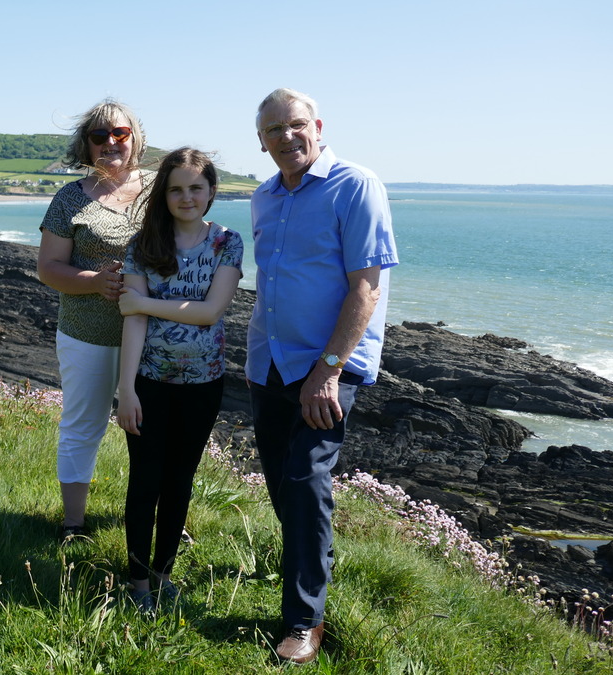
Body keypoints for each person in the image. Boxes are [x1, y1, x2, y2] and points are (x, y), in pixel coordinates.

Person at [246, 88, 398, 664]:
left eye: (296, 125)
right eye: (274, 131)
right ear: (260, 142)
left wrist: (328, 371)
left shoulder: (355, 185)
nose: (287, 137)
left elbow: (367, 286)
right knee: (286, 488)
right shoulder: (262, 197)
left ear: (317, 125)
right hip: (270, 363)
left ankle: (304, 620)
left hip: (330, 367)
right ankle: (311, 565)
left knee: (308, 481)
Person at [114, 147, 243, 612]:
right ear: (163, 195)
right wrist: (125, 389)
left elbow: (210, 312)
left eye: (195, 187)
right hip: (148, 382)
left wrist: (144, 301)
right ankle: (138, 586)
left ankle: (162, 574)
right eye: (176, 189)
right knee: (144, 483)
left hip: (204, 385)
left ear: (211, 191)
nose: (186, 197)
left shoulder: (228, 242)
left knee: (179, 482)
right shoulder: (144, 245)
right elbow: (132, 324)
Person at [37, 99, 151, 542]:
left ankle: (157, 519)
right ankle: (73, 524)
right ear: (86, 145)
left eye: (119, 134)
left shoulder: (162, 189)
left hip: (156, 334)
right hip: (88, 334)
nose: (110, 143)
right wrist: (92, 282)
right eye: (99, 136)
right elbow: (48, 267)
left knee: (153, 431)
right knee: (83, 424)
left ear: (135, 139)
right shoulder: (69, 199)